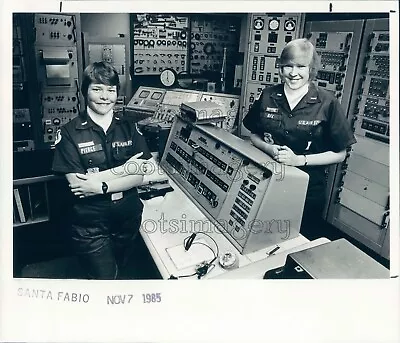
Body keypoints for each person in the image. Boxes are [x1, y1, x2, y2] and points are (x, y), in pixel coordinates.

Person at [243, 38, 356, 240]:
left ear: (311, 69)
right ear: (281, 68)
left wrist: (299, 160)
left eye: (301, 66)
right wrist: (269, 149)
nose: (293, 73)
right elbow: (253, 134)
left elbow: (341, 154)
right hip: (268, 181)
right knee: (264, 239)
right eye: (288, 66)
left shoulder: (327, 102)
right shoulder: (268, 95)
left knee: (301, 241)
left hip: (308, 189)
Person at [52, 61, 157, 279]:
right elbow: (77, 184)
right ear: (84, 92)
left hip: (128, 217)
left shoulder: (129, 126)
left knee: (123, 269)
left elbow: (140, 174)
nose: (105, 96)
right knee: (105, 278)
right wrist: (125, 169)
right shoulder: (69, 133)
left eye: (110, 90)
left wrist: (100, 184)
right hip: (90, 226)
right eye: (97, 89)